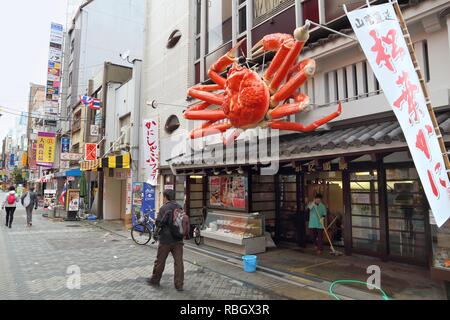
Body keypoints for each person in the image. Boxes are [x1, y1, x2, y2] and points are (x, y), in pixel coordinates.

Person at [148, 189, 189, 291]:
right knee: (179, 262)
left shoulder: (164, 208)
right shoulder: (179, 207)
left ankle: (155, 280)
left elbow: (159, 223)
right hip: (178, 240)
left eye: (163, 196)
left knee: (160, 261)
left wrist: (156, 224)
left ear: (166, 197)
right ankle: (179, 285)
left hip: (166, 240)